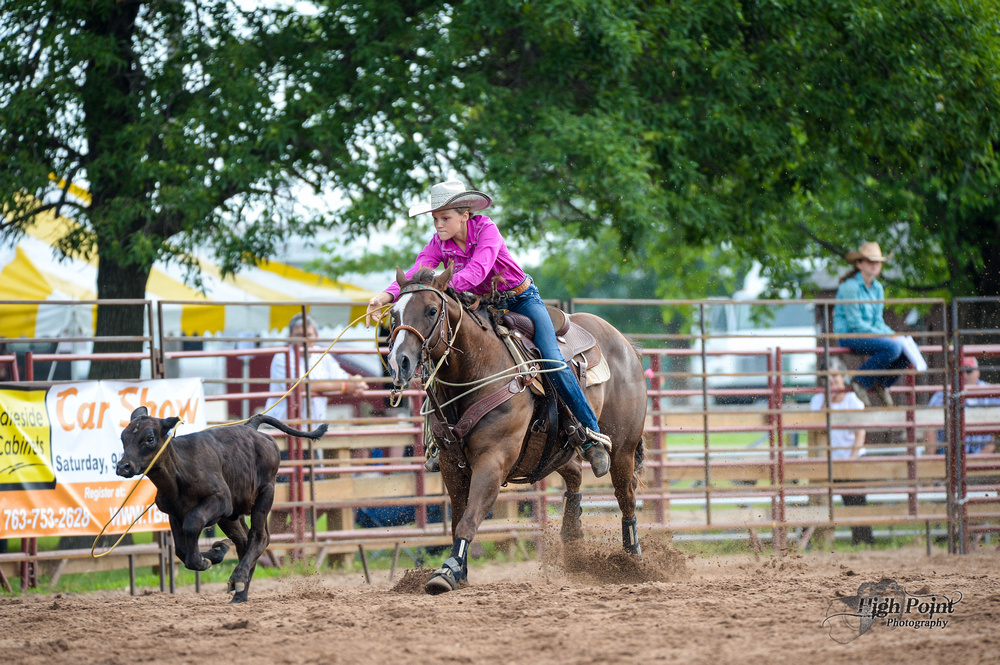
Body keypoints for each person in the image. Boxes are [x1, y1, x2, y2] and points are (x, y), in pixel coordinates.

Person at [363, 180, 613, 477]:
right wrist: (386, 295)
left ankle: (590, 436)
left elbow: (477, 271)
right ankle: (437, 441)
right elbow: (419, 273)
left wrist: (437, 290)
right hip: (479, 304)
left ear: (464, 216)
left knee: (551, 359)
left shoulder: (487, 231)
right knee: (443, 358)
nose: (438, 225)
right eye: (435, 219)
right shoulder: (438, 243)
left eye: (445, 218)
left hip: (520, 300)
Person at [833, 241, 910, 407]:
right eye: (871, 261)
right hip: (849, 335)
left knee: (906, 349)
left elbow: (877, 321)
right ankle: (859, 381)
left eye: (878, 262)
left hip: (866, 334)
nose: (875, 265)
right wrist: (887, 336)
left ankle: (882, 384)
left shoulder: (878, 288)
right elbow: (855, 324)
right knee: (893, 347)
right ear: (859, 264)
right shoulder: (850, 288)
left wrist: (894, 335)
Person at [810, 357, 874, 546]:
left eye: (835, 376)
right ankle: (818, 540)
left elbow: (859, 433)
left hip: (850, 457)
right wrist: (827, 401)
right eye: (827, 377)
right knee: (818, 500)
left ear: (843, 376)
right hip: (828, 460)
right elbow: (817, 426)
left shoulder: (853, 399)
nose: (832, 381)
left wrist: (852, 458)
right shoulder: (818, 400)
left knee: (855, 500)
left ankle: (863, 540)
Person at [265, 312, 368, 422]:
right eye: (299, 335)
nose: (304, 340)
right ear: (290, 337)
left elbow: (344, 378)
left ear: (316, 336)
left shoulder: (322, 355)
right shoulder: (282, 356)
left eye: (308, 335)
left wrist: (357, 383)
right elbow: (301, 386)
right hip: (281, 426)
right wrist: (345, 386)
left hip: (312, 427)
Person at [925, 356, 1000, 456]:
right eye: (960, 371)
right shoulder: (942, 396)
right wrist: (932, 458)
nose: (964, 375)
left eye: (968, 370)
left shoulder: (990, 393)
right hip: (949, 457)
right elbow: (930, 428)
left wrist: (987, 451)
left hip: (982, 455)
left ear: (978, 373)